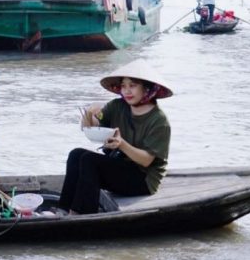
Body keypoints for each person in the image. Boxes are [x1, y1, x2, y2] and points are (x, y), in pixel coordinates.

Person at [58, 59, 172, 215]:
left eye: (132, 86)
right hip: (120, 165)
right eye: (124, 86)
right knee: (76, 154)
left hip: (143, 179)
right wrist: (89, 113)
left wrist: (121, 144)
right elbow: (91, 127)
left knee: (89, 161)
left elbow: (146, 161)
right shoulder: (117, 106)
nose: (126, 91)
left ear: (146, 89)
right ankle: (62, 209)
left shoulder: (159, 120)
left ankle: (82, 214)